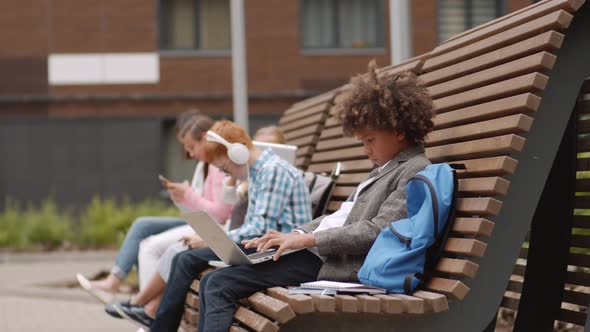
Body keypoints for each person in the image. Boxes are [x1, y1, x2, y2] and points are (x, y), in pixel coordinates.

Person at [152, 61, 435, 332]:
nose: (366, 150)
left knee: (218, 284)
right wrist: (297, 234)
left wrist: (306, 239)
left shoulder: (413, 170)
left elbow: (376, 230)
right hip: (314, 252)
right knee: (215, 280)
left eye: (369, 140)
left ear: (399, 132)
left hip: (333, 262)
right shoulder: (384, 169)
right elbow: (337, 217)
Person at [108, 120, 311, 328]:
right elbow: (257, 229)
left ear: (237, 154)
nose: (226, 175)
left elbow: (260, 229)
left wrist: (212, 240)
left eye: (224, 168)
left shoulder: (272, 171)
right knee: (195, 268)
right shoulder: (261, 172)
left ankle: (159, 326)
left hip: (284, 255)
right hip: (266, 249)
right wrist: (215, 239)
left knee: (201, 272)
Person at [76, 110, 233, 301]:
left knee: (149, 245)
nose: (190, 154)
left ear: (204, 138)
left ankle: (145, 307)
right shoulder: (205, 166)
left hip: (213, 229)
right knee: (144, 230)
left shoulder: (218, 166)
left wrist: (188, 195)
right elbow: (195, 212)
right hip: (202, 225)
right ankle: (126, 292)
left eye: (191, 147)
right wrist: (182, 198)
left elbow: (218, 215)